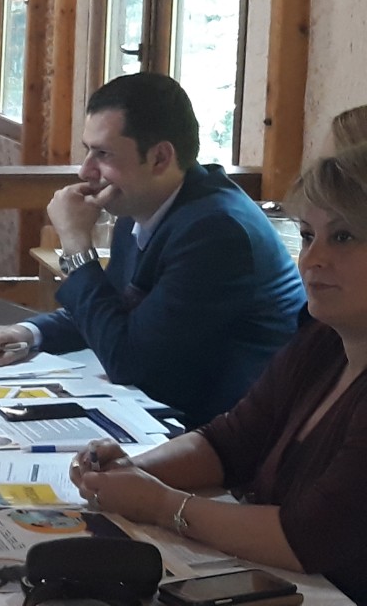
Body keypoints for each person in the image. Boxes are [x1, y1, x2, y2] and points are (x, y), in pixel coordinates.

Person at [70, 144, 367, 603]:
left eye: (343, 237)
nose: (312, 260)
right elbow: (229, 442)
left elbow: (307, 538)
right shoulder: (322, 342)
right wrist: (129, 472)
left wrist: (161, 503)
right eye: (308, 236)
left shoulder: (216, 226)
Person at [0, 73, 304, 428]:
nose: (85, 170)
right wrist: (29, 333)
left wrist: (76, 243)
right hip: (168, 413)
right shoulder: (139, 208)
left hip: (230, 434)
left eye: (103, 154)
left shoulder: (217, 232)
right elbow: (112, 312)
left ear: (159, 158)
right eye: (87, 150)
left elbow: (128, 361)